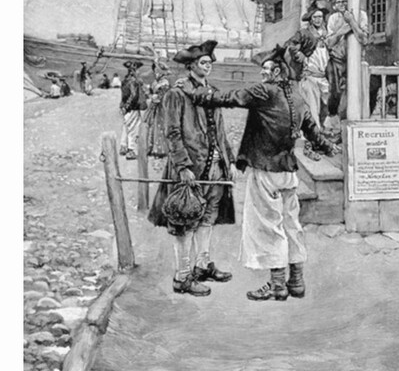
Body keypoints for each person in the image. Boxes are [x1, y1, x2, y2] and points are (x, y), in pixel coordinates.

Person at [183, 44, 336, 302]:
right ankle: (296, 282)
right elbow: (312, 131)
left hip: (265, 171)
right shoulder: (297, 96)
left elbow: (231, 98)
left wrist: (197, 95)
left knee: (268, 227)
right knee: (291, 225)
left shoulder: (264, 91)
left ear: (277, 71)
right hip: (288, 172)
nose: (263, 73)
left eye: (266, 69)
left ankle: (278, 286)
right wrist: (330, 148)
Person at [148, 40, 236, 297]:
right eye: (203, 62)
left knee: (208, 217)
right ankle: (182, 276)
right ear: (191, 66)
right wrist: (183, 166)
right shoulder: (177, 94)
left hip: (214, 166)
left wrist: (227, 162)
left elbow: (220, 131)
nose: (207, 66)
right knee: (184, 219)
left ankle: (202, 265)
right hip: (190, 167)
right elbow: (172, 133)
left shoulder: (213, 92)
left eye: (209, 62)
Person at [325, 0, 369, 139]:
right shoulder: (333, 19)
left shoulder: (360, 15)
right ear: (334, 5)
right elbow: (329, 42)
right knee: (335, 93)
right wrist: (342, 31)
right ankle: (334, 127)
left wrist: (351, 22)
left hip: (354, 61)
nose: (342, 4)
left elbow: (364, 39)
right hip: (337, 61)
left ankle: (351, 130)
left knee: (353, 94)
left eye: (345, 0)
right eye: (339, 2)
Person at [285, 0, 333, 136]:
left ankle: (325, 129)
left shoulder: (326, 34)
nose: (318, 20)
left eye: (320, 17)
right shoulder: (304, 33)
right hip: (309, 76)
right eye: (315, 17)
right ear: (311, 19)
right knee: (313, 107)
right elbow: (291, 45)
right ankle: (315, 134)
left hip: (323, 76)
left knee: (329, 102)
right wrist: (298, 53)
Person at [119, 60, 148, 160]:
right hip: (132, 107)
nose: (139, 72)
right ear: (134, 70)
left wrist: (123, 106)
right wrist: (127, 106)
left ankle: (123, 146)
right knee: (133, 128)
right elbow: (133, 95)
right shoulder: (133, 81)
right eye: (137, 70)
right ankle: (131, 150)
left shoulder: (125, 80)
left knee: (126, 126)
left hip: (126, 107)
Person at [144, 59, 171, 158]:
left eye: (157, 71)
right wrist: (149, 94)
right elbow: (151, 92)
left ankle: (160, 150)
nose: (155, 73)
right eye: (155, 71)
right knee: (152, 126)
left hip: (162, 107)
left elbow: (163, 96)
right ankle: (151, 148)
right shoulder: (156, 82)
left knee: (160, 126)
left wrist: (155, 97)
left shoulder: (165, 82)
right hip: (155, 106)